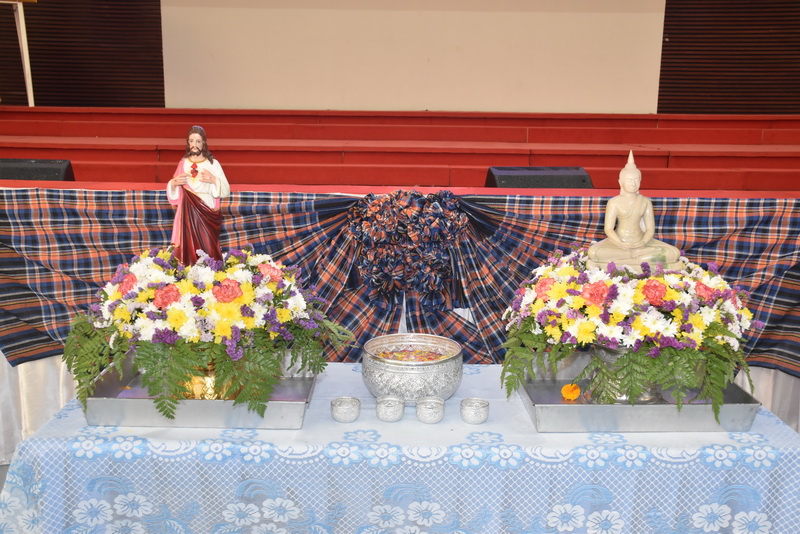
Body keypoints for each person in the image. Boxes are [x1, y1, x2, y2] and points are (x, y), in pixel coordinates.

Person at [587, 151, 682, 272]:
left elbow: (650, 229)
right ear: (620, 182)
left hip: (641, 243)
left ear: (640, 181)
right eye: (629, 180)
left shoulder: (645, 202)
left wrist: (643, 242)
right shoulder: (614, 202)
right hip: (618, 243)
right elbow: (609, 229)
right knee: (594, 252)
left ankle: (625, 264)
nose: (633, 183)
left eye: (636, 180)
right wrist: (620, 243)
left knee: (673, 252)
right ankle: (643, 264)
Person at [167, 125, 231, 265]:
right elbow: (175, 188)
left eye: (198, 141)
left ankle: (210, 267)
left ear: (203, 143)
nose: (194, 145)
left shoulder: (213, 164)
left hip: (207, 208)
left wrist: (214, 180)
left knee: (208, 244)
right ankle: (189, 268)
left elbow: (226, 189)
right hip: (187, 211)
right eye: (191, 141)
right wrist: (173, 183)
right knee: (188, 243)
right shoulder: (183, 163)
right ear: (188, 143)